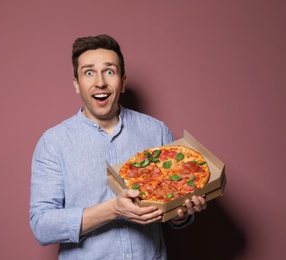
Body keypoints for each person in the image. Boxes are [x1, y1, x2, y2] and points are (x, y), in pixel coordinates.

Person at [29, 34, 207, 259]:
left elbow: (172, 205)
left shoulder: (156, 131)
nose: (100, 82)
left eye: (109, 71)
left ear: (122, 82)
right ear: (76, 84)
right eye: (89, 72)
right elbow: (41, 225)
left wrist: (182, 213)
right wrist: (113, 209)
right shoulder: (53, 143)